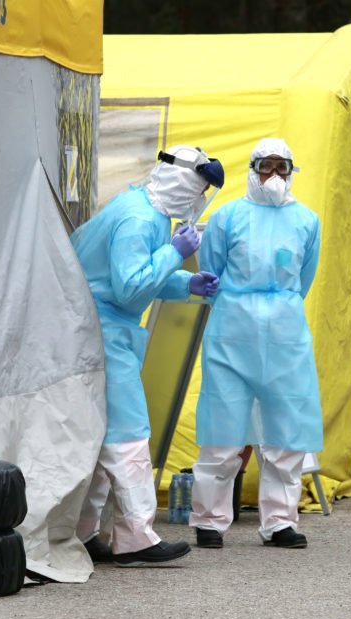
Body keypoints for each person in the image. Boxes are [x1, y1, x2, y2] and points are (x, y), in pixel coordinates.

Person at [71, 144, 223, 567]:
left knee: (102, 436)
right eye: (201, 186)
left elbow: (131, 275)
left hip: (92, 331)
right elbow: (130, 287)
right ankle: (136, 538)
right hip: (101, 334)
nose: (200, 198)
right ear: (183, 180)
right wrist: (176, 253)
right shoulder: (141, 220)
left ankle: (81, 534)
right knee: (128, 435)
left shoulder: (138, 207)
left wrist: (184, 285)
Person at [190, 138, 322, 550]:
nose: (274, 176)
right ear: (252, 168)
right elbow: (211, 272)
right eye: (267, 167)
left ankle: (280, 521)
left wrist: (275, 308)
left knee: (287, 429)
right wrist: (242, 304)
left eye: (283, 168)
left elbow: (304, 277)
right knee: (223, 427)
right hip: (233, 331)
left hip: (285, 333)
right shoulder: (227, 217)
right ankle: (209, 520)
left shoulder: (306, 220)